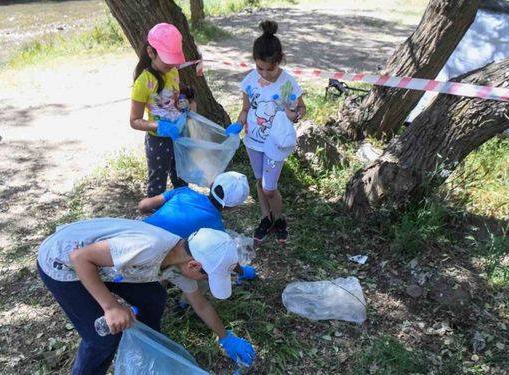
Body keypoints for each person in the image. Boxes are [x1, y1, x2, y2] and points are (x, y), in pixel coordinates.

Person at [37, 219, 255, 375]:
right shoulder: (147, 248)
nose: (204, 282)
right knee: (102, 338)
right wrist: (111, 307)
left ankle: (149, 344)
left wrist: (226, 337)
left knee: (153, 295)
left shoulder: (179, 261)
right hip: (64, 264)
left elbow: (200, 303)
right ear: (194, 265)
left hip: (103, 265)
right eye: (207, 277)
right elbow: (80, 257)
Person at [230, 20, 307, 245]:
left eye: (270, 69)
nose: (265, 73)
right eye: (260, 68)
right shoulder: (250, 80)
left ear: (279, 61)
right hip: (253, 141)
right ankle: (266, 218)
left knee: (269, 188)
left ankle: (279, 219)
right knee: (259, 181)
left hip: (275, 144)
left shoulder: (288, 83)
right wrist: (238, 123)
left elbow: (301, 107)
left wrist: (295, 115)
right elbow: (245, 109)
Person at [138, 171, 256, 283]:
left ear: (212, 184)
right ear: (234, 208)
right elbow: (226, 258)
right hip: (154, 261)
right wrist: (243, 271)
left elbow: (143, 206)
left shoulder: (184, 192)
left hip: (134, 236)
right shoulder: (216, 229)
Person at [130, 22, 195, 197]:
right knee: (157, 183)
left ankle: (181, 211)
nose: (171, 64)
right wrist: (158, 126)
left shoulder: (173, 71)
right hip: (158, 141)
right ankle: (152, 219)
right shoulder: (143, 82)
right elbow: (134, 121)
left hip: (178, 135)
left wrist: (184, 98)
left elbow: (175, 93)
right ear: (151, 52)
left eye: (174, 59)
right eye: (167, 59)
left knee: (181, 179)